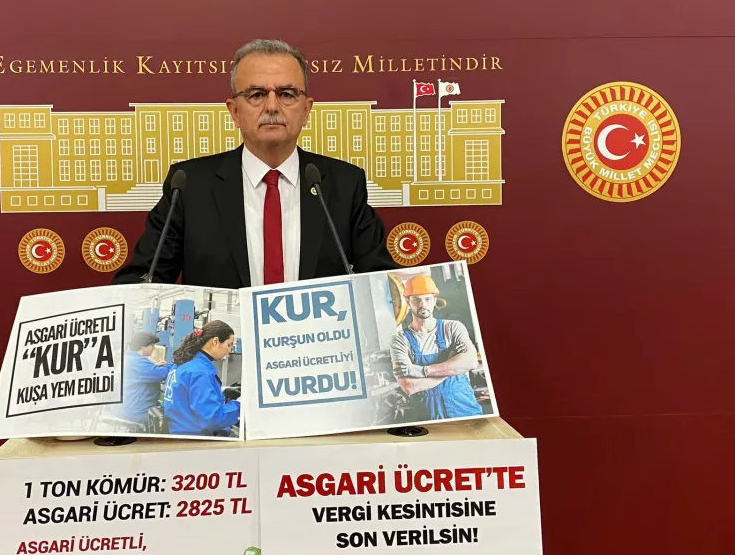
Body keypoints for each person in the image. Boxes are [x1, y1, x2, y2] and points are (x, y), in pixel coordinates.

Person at [112, 38, 396, 288]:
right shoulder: (189, 186)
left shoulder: (344, 184)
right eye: (257, 95)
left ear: (306, 110)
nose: (272, 106)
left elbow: (383, 285)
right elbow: (141, 284)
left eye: (286, 94)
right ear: (234, 112)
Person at [389, 275, 483, 420]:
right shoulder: (400, 340)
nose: (422, 304)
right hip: (429, 418)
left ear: (434, 300)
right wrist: (453, 368)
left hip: (466, 411)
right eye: (416, 300)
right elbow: (409, 386)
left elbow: (471, 362)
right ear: (408, 302)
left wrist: (421, 371)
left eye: (427, 299)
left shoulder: (452, 328)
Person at [163, 320, 239, 437]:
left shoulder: (183, 363)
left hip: (178, 431)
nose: (230, 350)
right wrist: (239, 405)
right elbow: (212, 418)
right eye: (229, 345)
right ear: (215, 341)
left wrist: (221, 392)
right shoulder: (200, 372)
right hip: (195, 437)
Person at [120, 331, 174, 428]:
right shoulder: (137, 361)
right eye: (152, 345)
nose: (154, 348)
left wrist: (155, 366)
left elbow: (143, 373)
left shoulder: (131, 358)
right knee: (173, 419)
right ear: (143, 346)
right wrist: (176, 362)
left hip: (129, 408)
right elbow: (160, 374)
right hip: (138, 411)